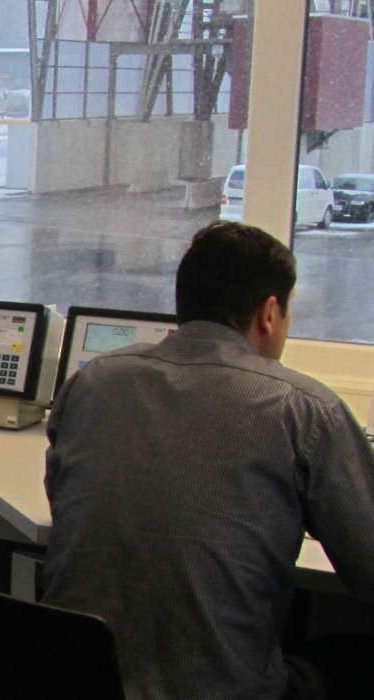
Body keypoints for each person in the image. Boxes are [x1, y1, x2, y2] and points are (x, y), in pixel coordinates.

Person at [42, 220, 374, 700]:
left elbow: (64, 498)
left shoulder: (92, 381)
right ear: (269, 313)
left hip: (76, 679)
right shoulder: (303, 408)